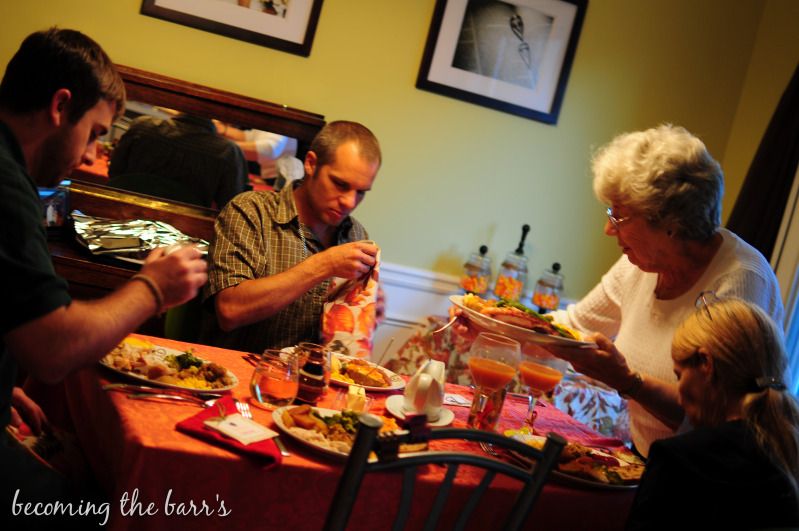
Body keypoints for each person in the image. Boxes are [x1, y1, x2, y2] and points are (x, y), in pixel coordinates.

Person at [0, 28, 207, 527]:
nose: (93, 156)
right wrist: (153, 287)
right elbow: (53, 353)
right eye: (94, 132)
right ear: (60, 106)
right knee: (114, 505)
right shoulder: (7, 185)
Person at [537, 124, 784, 457]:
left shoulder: (741, 280)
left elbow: (716, 419)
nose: (608, 228)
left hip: (710, 483)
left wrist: (627, 381)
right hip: (651, 462)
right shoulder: (640, 265)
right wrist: (487, 319)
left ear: (670, 222)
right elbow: (574, 326)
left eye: (619, 216)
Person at [201, 120, 381, 352]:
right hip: (238, 375)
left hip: (309, 381)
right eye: (340, 184)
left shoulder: (355, 235)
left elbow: (341, 340)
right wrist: (324, 264)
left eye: (361, 192)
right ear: (311, 163)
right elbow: (230, 311)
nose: (349, 202)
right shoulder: (250, 211)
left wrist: (365, 309)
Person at [627, 298, 799, 529]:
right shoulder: (789, 448)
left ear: (706, 363)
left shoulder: (680, 459)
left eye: (679, 376)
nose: (679, 394)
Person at [108, 112, 248, 208]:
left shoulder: (142, 127)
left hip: (120, 215)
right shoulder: (227, 152)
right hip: (184, 238)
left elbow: (114, 172)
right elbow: (230, 210)